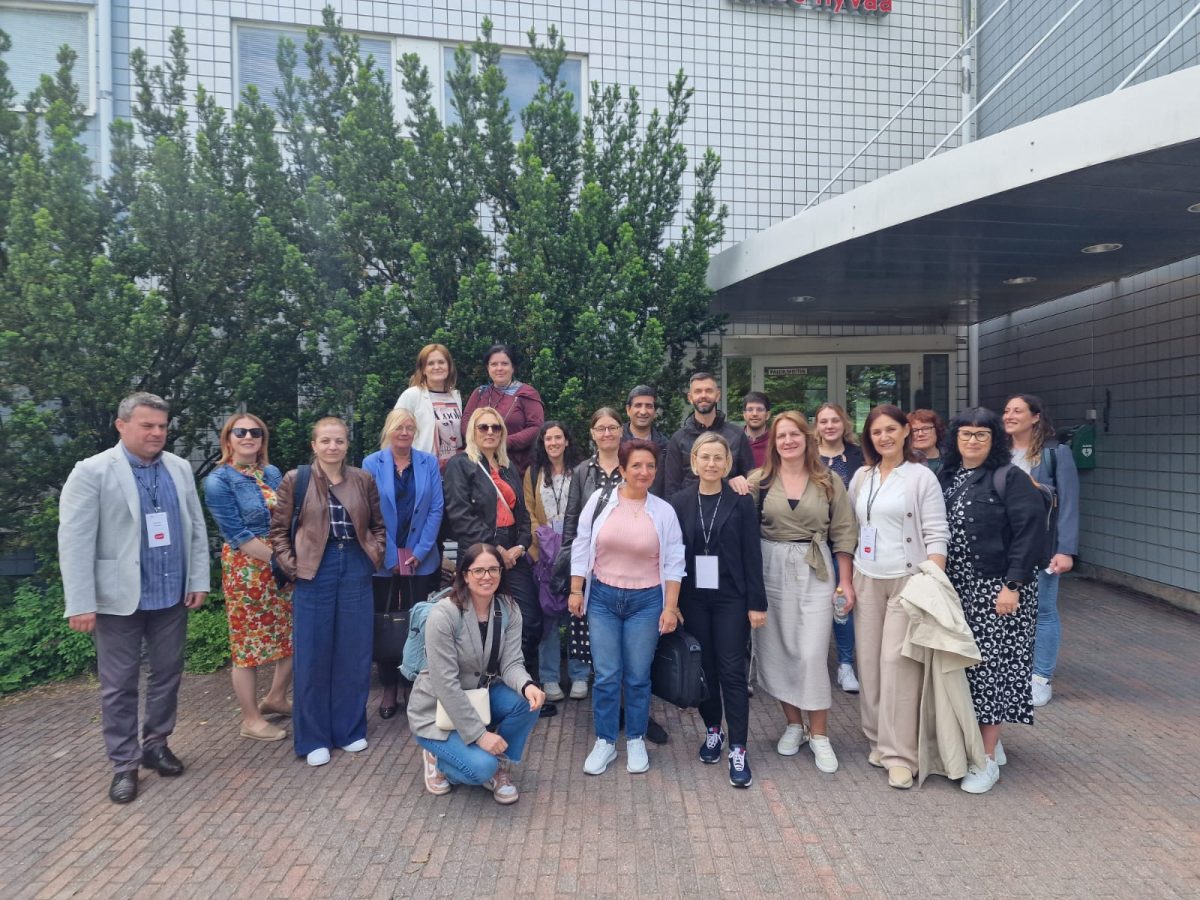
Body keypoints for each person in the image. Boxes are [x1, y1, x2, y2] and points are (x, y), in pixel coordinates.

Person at [59, 393, 210, 804]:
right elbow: (74, 541)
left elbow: (195, 528)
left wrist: (198, 578)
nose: (157, 433)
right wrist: (81, 601)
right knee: (118, 685)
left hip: (171, 594)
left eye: (162, 426)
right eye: (148, 425)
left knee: (168, 673)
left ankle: (156, 744)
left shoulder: (178, 467)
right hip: (117, 599)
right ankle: (124, 764)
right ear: (122, 425)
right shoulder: (92, 471)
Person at [939, 408, 1046, 794]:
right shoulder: (947, 475)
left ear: (994, 439)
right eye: (966, 434)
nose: (972, 441)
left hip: (997, 591)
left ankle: (985, 760)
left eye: (981, 435)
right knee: (965, 670)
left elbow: (1030, 532)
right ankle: (986, 742)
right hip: (958, 590)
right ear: (955, 438)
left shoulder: (1010, 477)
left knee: (990, 671)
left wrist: (1012, 585)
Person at [269, 417, 386, 767]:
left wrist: (375, 554)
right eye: (325, 441)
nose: (332, 446)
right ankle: (314, 737)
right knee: (312, 654)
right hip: (313, 569)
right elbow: (278, 531)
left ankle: (349, 729)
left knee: (354, 651)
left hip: (355, 565)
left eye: (339, 441)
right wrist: (293, 566)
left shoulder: (362, 479)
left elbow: (378, 525)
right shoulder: (296, 479)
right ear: (314, 445)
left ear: (347, 445)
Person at [846, 405, 949, 790]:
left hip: (908, 579)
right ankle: (877, 739)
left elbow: (937, 533)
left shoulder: (921, 477)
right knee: (869, 663)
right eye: (876, 432)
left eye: (891, 429)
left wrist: (931, 580)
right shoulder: (862, 477)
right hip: (867, 578)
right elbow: (852, 529)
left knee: (897, 664)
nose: (884, 437)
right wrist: (847, 580)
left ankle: (901, 755)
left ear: (906, 431)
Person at [749, 411, 857, 775]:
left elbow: (844, 531)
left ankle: (820, 734)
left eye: (794, 434)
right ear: (774, 442)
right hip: (770, 566)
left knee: (811, 654)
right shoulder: (760, 481)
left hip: (816, 567)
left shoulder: (828, 480)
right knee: (778, 649)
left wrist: (846, 581)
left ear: (807, 438)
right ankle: (794, 724)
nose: (788, 441)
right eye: (781, 436)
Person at [569, 439, 685, 776]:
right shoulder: (600, 500)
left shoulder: (664, 511)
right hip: (603, 599)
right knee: (606, 675)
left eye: (650, 466)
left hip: (646, 602)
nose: (643, 472)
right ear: (622, 469)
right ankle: (605, 741)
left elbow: (674, 561)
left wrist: (670, 607)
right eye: (636, 465)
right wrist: (576, 589)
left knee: (637, 676)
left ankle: (635, 738)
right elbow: (581, 544)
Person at [408, 543, 546, 804]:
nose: (487, 576)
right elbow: (446, 684)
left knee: (527, 703)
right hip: (435, 710)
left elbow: (511, 663)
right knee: (481, 769)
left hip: (477, 696)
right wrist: (480, 736)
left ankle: (499, 765)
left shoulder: (508, 608)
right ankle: (439, 758)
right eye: (479, 570)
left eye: (493, 569)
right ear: (465, 575)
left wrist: (527, 685)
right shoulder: (444, 614)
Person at [668, 434, 767, 788]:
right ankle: (713, 730)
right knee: (705, 669)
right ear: (694, 461)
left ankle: (738, 747)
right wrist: (672, 603)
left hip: (731, 598)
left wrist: (757, 603)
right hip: (694, 599)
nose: (711, 463)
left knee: (731, 671)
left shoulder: (740, 501)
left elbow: (752, 553)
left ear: (727, 463)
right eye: (705, 457)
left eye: (718, 458)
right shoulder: (679, 502)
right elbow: (672, 555)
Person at [443, 407, 553, 716]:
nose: (490, 432)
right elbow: (460, 515)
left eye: (496, 427)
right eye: (484, 427)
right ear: (473, 432)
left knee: (529, 619)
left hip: (512, 552)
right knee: (479, 624)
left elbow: (523, 516)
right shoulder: (460, 465)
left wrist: (519, 546)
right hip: (479, 553)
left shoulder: (507, 468)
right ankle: (487, 693)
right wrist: (495, 551)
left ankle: (524, 689)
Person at [202, 413, 294, 744]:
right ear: (228, 439)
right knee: (247, 647)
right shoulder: (218, 481)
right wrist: (280, 562)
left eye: (256, 432)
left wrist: (288, 558)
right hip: (248, 569)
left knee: (292, 635)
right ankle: (251, 719)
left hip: (282, 561)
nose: (248, 437)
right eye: (240, 432)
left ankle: (276, 697)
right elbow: (238, 534)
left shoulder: (271, 473)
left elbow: (289, 516)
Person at [362, 408, 444, 720]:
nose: (405, 432)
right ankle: (389, 687)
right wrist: (388, 555)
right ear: (389, 430)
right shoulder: (372, 463)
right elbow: (368, 512)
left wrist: (420, 552)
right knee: (385, 622)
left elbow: (436, 508)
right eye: (399, 427)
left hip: (421, 560)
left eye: (410, 427)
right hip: (384, 560)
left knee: (419, 622)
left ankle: (413, 684)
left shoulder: (428, 462)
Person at [1003, 394, 1080, 708]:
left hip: (1043, 544)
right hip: (1004, 546)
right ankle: (1014, 670)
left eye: (1017, 411)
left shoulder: (1055, 453)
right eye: (1006, 410)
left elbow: (1069, 503)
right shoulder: (998, 452)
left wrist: (1066, 550)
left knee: (1042, 611)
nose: (1009, 415)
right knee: (1007, 608)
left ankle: (1041, 678)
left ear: (1035, 417)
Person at [523, 421, 587, 702]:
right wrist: (541, 545)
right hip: (546, 555)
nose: (553, 443)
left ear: (567, 441)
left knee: (578, 614)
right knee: (548, 616)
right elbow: (528, 510)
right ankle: (549, 677)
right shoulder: (533, 472)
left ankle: (580, 674)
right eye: (548, 438)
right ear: (543, 443)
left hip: (576, 551)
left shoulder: (581, 471)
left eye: (558, 437)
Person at [814, 401, 865, 695]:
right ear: (817, 426)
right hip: (816, 540)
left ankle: (845, 663)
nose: (829, 426)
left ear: (843, 423)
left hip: (848, 540)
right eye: (824, 421)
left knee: (842, 602)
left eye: (834, 420)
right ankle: (816, 662)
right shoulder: (808, 455)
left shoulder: (860, 456)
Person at [663, 372, 755, 497]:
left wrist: (735, 481)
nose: (703, 395)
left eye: (708, 391)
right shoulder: (678, 439)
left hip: (729, 506)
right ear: (690, 398)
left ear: (717, 395)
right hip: (690, 507)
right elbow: (671, 488)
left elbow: (749, 479)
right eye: (698, 391)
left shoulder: (737, 436)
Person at [461, 344, 544, 475]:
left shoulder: (526, 393)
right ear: (488, 368)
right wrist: (482, 442)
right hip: (479, 466)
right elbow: (466, 422)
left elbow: (536, 427)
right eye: (494, 364)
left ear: (513, 367)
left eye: (504, 364)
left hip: (514, 467)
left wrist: (501, 442)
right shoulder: (480, 393)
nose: (499, 368)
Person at [393, 343, 463, 468]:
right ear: (423, 370)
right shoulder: (412, 395)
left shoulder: (455, 395)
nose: (437, 367)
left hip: (454, 469)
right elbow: (394, 431)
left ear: (449, 366)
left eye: (441, 362)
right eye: (430, 363)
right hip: (424, 467)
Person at [623, 385, 669, 496]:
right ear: (628, 410)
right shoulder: (615, 442)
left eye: (648, 406)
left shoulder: (665, 446)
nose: (643, 411)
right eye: (638, 405)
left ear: (654, 411)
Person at [908, 408, 947, 474]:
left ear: (937, 430)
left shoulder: (952, 460)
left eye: (926, 428)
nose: (920, 434)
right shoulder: (901, 463)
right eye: (914, 430)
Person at [742, 391, 771, 468]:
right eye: (750, 409)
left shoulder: (775, 442)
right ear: (744, 415)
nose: (754, 414)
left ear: (767, 415)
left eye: (760, 409)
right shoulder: (735, 440)